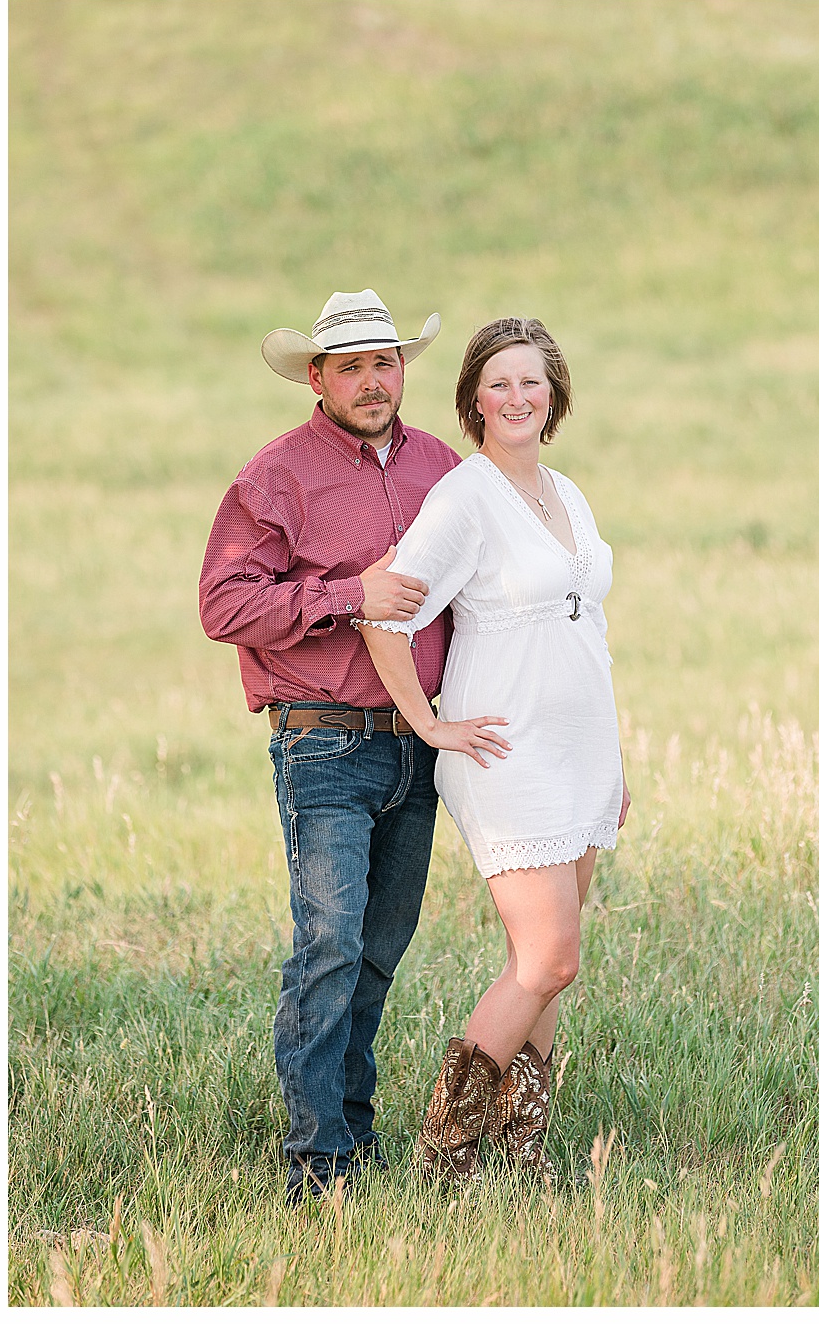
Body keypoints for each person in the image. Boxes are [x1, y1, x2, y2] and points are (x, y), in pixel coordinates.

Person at [198, 289, 459, 1205]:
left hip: (421, 747)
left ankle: (352, 1127)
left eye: (384, 362)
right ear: (316, 377)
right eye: (350, 366)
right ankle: (318, 1163)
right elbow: (223, 607)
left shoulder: (443, 467)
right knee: (329, 947)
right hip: (325, 743)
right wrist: (349, 592)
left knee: (380, 949)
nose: (372, 380)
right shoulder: (277, 477)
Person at [357, 316, 630, 1182]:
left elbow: (590, 630)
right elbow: (383, 613)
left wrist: (617, 764)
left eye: (532, 381)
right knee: (551, 956)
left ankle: (525, 1147)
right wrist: (430, 722)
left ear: (555, 394)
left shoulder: (569, 493)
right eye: (500, 383)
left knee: (543, 970)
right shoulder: (466, 497)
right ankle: (445, 1149)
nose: (518, 397)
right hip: (505, 753)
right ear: (475, 398)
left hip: (581, 751)